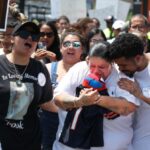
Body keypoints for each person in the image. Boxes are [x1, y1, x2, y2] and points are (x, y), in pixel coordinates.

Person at [53, 42, 140, 150]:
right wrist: (79, 101)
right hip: (69, 145)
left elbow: (128, 107)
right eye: (92, 65)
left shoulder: (121, 74)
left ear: (112, 63)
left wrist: (97, 99)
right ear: (88, 59)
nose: (96, 71)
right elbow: (58, 98)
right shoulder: (79, 68)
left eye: (102, 67)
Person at [0, 21, 53, 150]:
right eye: (24, 34)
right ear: (12, 38)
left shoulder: (40, 68)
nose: (30, 38)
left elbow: (45, 102)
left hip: (30, 141)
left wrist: (72, 105)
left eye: (35, 36)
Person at [40, 30, 87, 150]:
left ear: (82, 50)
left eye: (76, 44)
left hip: (76, 126)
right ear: (60, 48)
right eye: (66, 44)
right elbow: (40, 100)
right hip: (48, 125)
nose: (71, 47)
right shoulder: (47, 69)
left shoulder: (88, 71)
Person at [108, 33, 150, 150]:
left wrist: (140, 95)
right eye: (118, 65)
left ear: (137, 58)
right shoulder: (119, 68)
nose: (120, 69)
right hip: (131, 142)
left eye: (123, 65)